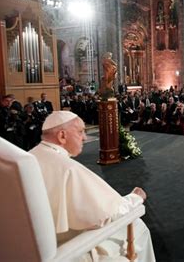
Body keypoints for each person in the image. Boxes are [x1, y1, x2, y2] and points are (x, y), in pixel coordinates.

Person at [29, 111, 155, 261]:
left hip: (36, 245)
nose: (85, 137)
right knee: (139, 226)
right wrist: (135, 198)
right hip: (67, 248)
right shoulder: (68, 169)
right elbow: (105, 215)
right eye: (81, 132)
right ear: (62, 136)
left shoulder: (30, 156)